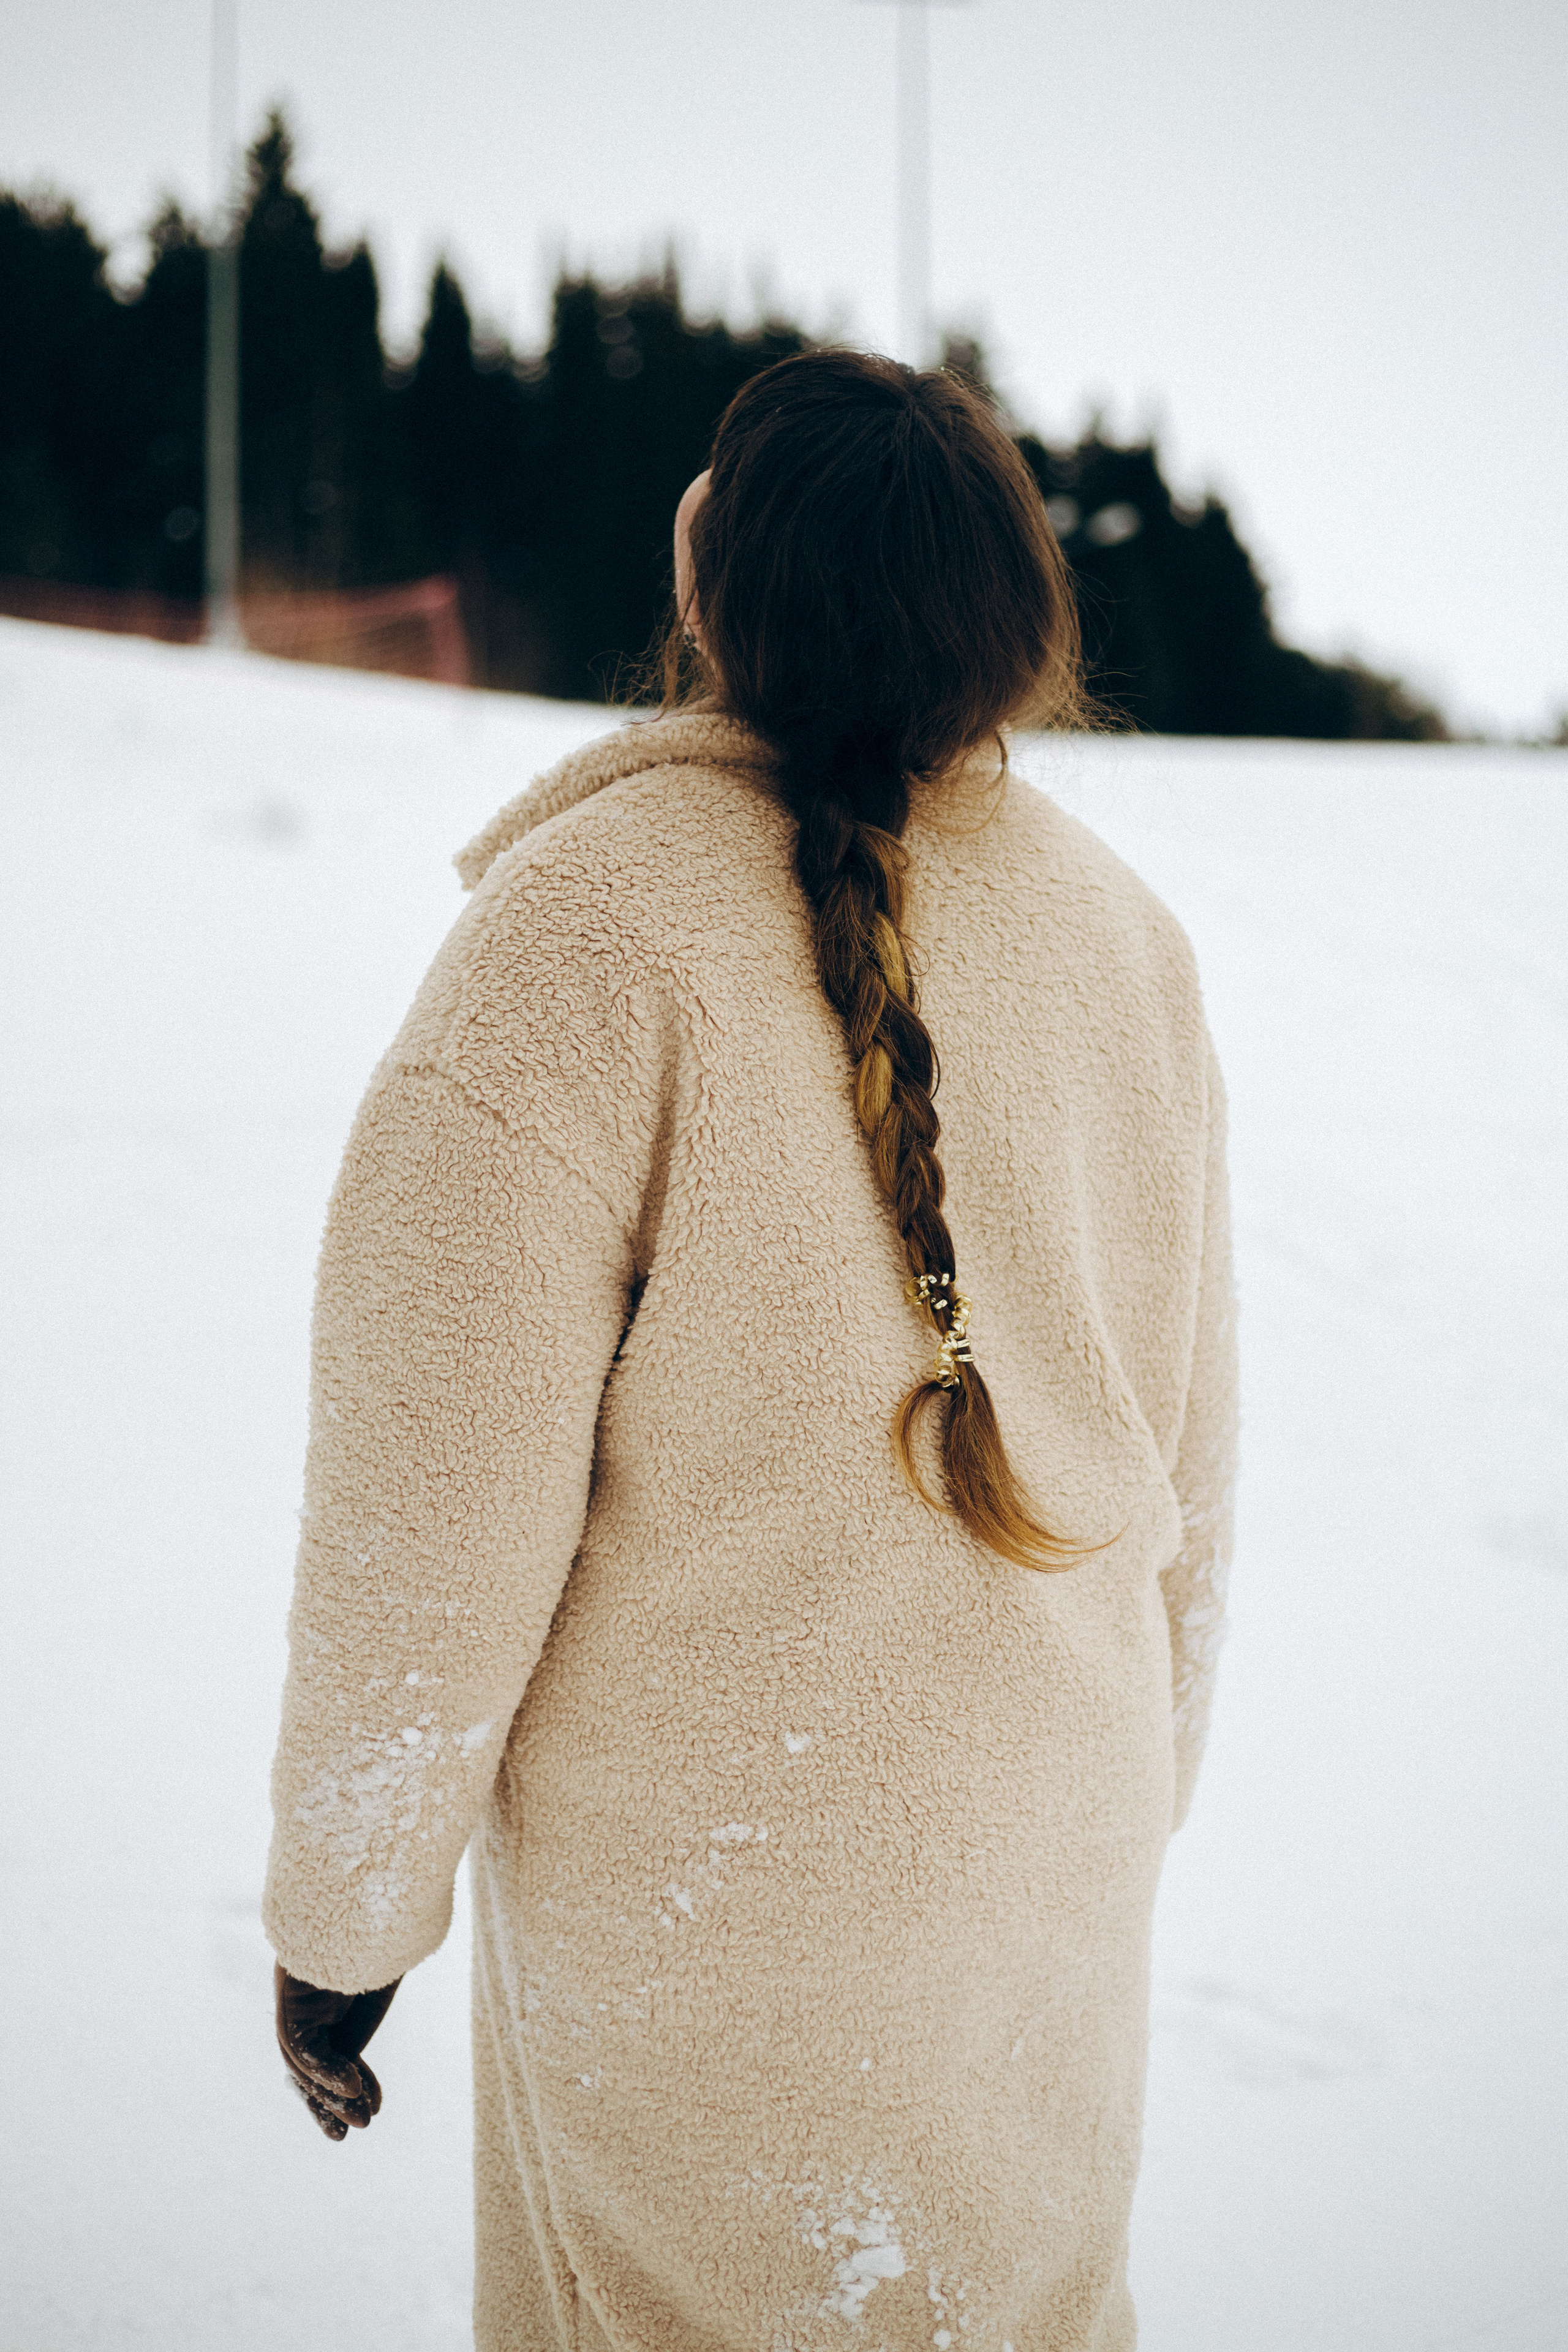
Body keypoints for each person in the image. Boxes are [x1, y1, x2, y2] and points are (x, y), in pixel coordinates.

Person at [265, 349, 1237, 2352]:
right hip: (1047, 1919)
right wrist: (1118, 1812)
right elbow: (1189, 1490)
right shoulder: (1127, 941)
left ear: (707, 578)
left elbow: (427, 1507)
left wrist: (344, 1926)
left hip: (709, 1932)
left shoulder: (576, 938)